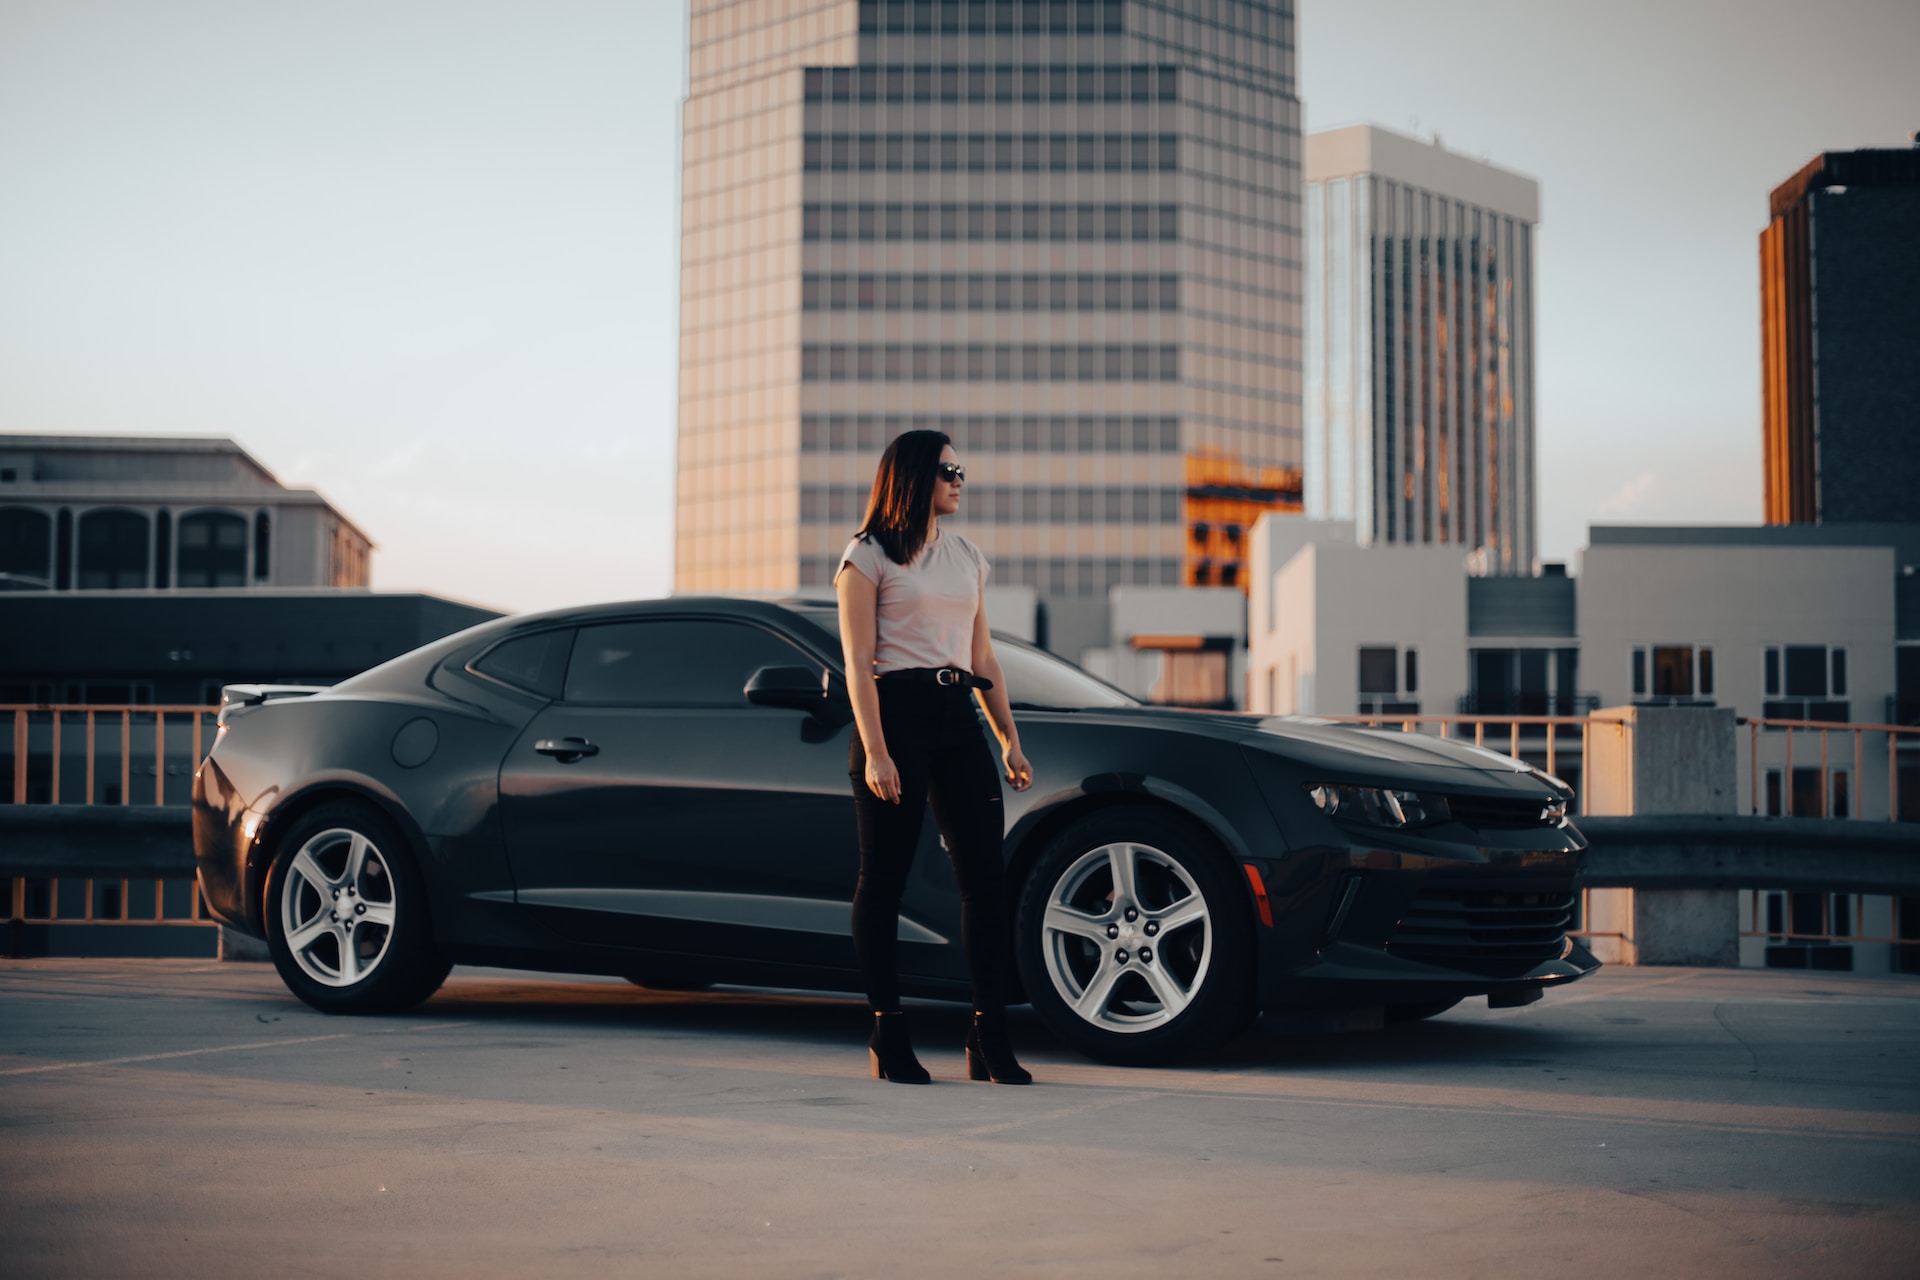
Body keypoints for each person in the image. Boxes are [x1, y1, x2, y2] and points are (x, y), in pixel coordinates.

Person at [834, 429, 1035, 1085]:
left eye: (961, 471)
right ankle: (888, 1030)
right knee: (883, 882)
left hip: (957, 716)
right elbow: (858, 663)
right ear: (915, 476)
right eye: (949, 470)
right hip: (895, 716)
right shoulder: (867, 555)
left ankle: (989, 1034)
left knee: (986, 883)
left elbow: (983, 656)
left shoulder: (968, 556)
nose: (959, 481)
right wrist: (876, 751)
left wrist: (1008, 738)